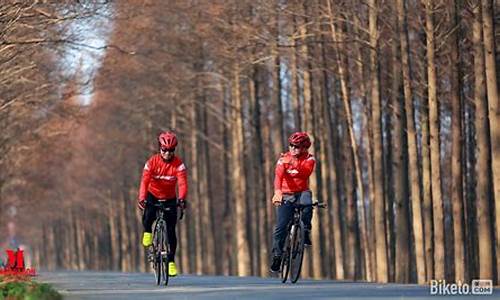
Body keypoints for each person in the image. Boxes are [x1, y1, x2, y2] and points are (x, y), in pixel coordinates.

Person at [138, 131, 188, 277]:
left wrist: (182, 199)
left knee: (171, 230)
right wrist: (142, 198)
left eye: (171, 150)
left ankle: (171, 262)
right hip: (152, 195)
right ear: (160, 148)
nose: (167, 153)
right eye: (164, 150)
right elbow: (144, 182)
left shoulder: (179, 165)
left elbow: (183, 184)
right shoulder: (151, 163)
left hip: (170, 198)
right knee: (148, 216)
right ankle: (147, 231)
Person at [270, 132, 316, 273]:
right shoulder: (282, 159)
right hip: (286, 194)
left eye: (296, 146)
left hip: (302, 192)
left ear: (304, 147)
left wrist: (290, 164)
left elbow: (304, 172)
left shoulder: (309, 159)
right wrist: (278, 192)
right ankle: (277, 256)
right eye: (291, 145)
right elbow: (278, 176)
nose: (293, 148)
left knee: (308, 203)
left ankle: (306, 230)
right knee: (280, 227)